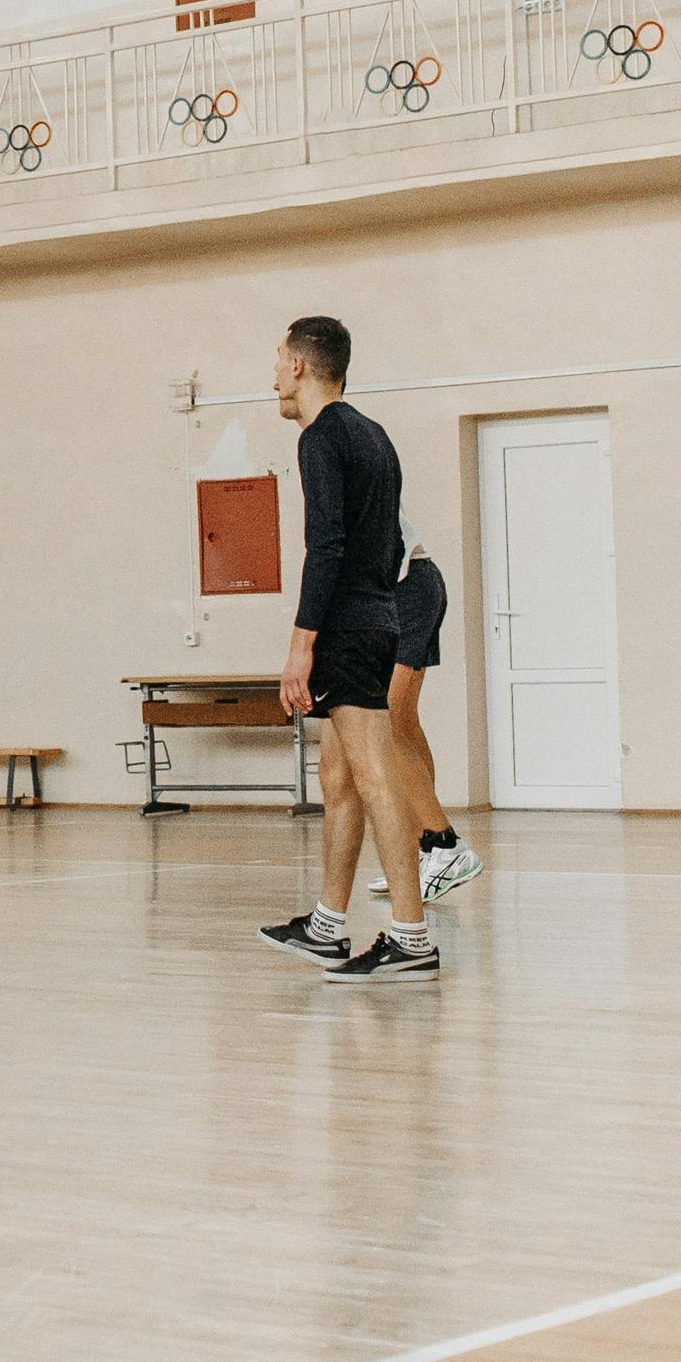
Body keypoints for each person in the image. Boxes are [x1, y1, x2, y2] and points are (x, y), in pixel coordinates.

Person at [261, 317, 435, 980]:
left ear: (302, 366)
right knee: (337, 775)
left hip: (349, 628)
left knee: (372, 772)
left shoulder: (320, 437)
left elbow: (325, 544)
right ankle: (326, 925)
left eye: (278, 360)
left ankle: (411, 937)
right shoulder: (373, 434)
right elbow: (387, 544)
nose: (273, 373)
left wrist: (300, 645)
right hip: (378, 617)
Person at [389, 510, 482, 898]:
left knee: (383, 726)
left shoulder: (341, 458)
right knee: (403, 723)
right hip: (415, 584)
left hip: (408, 588)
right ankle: (423, 849)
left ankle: (445, 844)